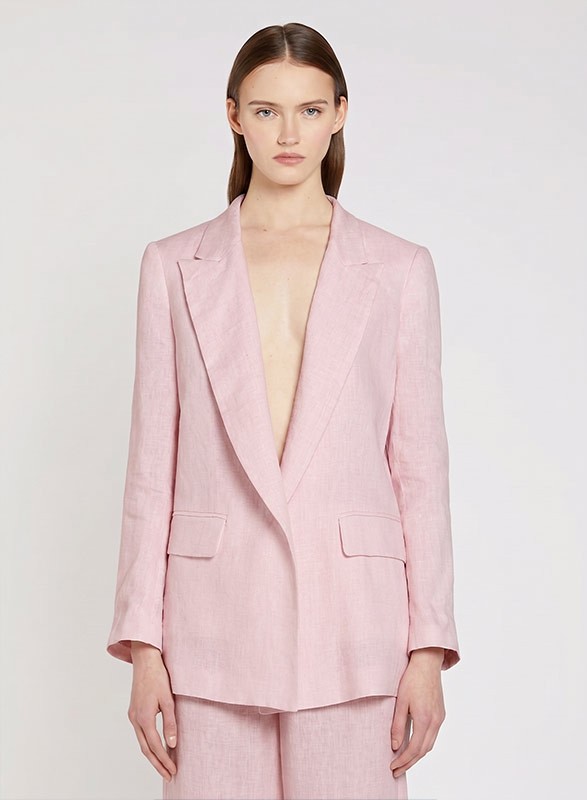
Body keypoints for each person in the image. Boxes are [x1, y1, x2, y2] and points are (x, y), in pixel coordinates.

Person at [106, 21, 461, 800]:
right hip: (209, 627)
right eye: (267, 111)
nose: (289, 134)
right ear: (234, 116)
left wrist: (428, 649)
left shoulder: (400, 270)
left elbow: (419, 471)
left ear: (340, 113)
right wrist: (144, 646)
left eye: (309, 110)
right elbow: (151, 469)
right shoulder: (172, 266)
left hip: (355, 629)